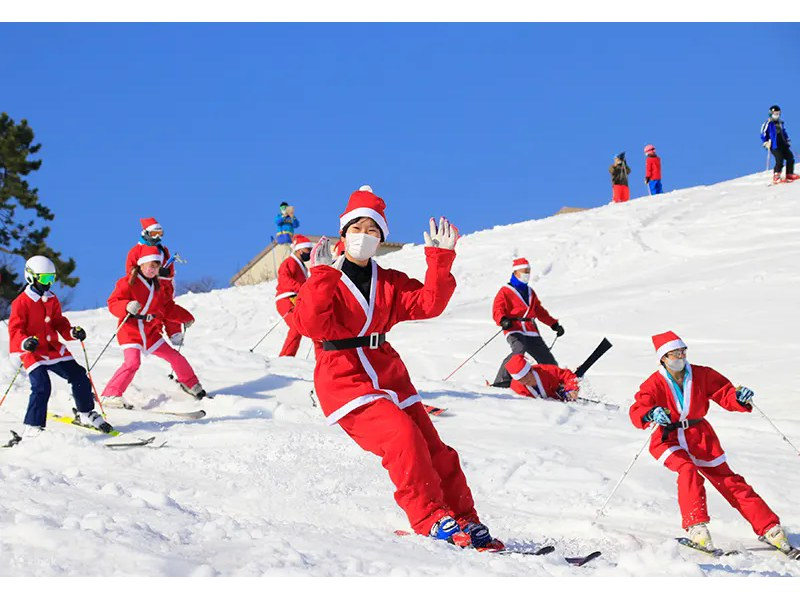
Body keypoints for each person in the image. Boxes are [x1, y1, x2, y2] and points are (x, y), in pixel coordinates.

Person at [292, 185, 501, 550]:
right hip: (344, 379)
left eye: (372, 231)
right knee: (402, 438)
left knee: (436, 449)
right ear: (343, 234)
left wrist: (440, 258)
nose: (363, 237)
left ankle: (464, 517)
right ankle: (430, 518)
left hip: (388, 375)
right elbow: (308, 326)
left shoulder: (386, 281)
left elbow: (428, 304)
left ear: (381, 239)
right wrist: (320, 277)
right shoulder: (327, 275)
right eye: (356, 229)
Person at [628, 331, 796, 554]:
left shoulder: (701, 374)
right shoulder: (653, 383)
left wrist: (738, 397)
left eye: (682, 351)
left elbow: (724, 392)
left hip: (700, 436)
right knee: (687, 470)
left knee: (728, 480)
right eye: (674, 353)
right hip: (668, 438)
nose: (680, 356)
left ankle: (770, 527)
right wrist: (651, 413)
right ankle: (696, 527)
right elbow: (638, 408)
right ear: (663, 358)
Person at [7, 256, 111, 437]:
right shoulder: (21, 302)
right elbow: (15, 329)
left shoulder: (52, 299)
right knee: (42, 386)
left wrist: (71, 332)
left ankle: (86, 413)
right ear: (31, 277)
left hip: (53, 349)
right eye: (45, 279)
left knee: (79, 375)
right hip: (32, 351)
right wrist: (25, 342)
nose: (49, 284)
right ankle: (33, 427)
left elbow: (58, 322)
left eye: (52, 279)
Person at [101, 246, 206, 408]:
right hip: (131, 330)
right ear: (141, 265)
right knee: (132, 363)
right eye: (149, 266)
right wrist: (126, 306)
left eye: (156, 266)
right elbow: (113, 302)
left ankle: (191, 383)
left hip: (150, 331)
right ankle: (111, 394)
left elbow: (167, 308)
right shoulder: (128, 282)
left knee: (174, 356)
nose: (152, 270)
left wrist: (185, 317)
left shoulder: (157, 287)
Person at [490, 257, 563, 388]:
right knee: (519, 349)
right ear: (516, 272)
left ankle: (554, 382)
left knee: (547, 359)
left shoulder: (530, 292)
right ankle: (501, 380)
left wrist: (554, 324)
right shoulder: (505, 291)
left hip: (530, 330)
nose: (527, 275)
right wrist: (502, 320)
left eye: (528, 272)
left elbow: (539, 311)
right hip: (514, 327)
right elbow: (497, 308)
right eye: (524, 271)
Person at [126, 217, 182, 339]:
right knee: (154, 309)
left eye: (160, 234)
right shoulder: (136, 250)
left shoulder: (163, 250)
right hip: (148, 286)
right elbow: (130, 271)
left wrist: (166, 272)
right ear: (145, 233)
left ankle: (175, 332)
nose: (157, 237)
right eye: (154, 234)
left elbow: (170, 268)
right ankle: (154, 334)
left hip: (164, 285)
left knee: (168, 306)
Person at [274, 234, 313, 357]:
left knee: (304, 326)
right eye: (308, 250)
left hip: (296, 299)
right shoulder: (289, 262)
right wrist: (302, 288)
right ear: (299, 250)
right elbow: (284, 279)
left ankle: (289, 356)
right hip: (286, 298)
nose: (310, 253)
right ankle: (285, 356)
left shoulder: (302, 267)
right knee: (296, 325)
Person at [503, 354, 579, 401]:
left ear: (531, 370)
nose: (524, 381)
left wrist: (571, 389)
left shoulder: (547, 370)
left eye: (525, 376)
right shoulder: (515, 388)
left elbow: (568, 376)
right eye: (520, 379)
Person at [761, 105, 797, 184]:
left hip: (783, 143)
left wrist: (787, 139)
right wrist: (765, 142)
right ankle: (776, 176)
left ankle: (789, 173)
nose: (777, 115)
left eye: (778, 113)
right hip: (774, 145)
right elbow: (763, 133)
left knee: (790, 157)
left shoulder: (780, 122)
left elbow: (783, 132)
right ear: (771, 114)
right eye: (775, 113)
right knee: (779, 159)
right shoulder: (768, 123)